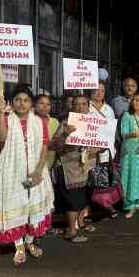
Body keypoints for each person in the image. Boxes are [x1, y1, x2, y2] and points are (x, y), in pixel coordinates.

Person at [0, 85, 54, 266]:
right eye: (18, 100)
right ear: (12, 103)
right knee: (16, 204)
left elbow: (45, 146)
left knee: (32, 205)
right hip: (13, 174)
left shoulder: (39, 122)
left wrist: (38, 169)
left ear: (31, 104)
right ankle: (19, 245)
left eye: (26, 100)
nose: (22, 103)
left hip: (34, 173)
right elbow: (1, 138)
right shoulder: (6, 118)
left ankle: (29, 242)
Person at [52, 95, 98, 243]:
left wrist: (98, 149)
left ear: (88, 107)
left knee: (84, 198)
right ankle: (70, 230)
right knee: (73, 201)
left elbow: (102, 144)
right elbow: (55, 146)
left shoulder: (94, 124)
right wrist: (65, 134)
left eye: (83, 104)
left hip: (87, 168)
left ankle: (81, 222)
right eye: (77, 104)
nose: (80, 107)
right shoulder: (66, 123)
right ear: (72, 107)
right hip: (70, 169)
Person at [89, 82, 121, 219]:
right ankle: (89, 207)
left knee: (104, 177)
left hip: (105, 148)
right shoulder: (86, 107)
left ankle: (107, 205)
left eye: (101, 90)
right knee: (90, 178)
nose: (98, 92)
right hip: (90, 148)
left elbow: (112, 130)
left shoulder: (109, 109)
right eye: (96, 90)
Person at [34, 94, 60, 170]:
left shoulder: (55, 122)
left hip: (50, 166)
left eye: (48, 104)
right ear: (34, 105)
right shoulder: (29, 121)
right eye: (41, 103)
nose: (45, 106)